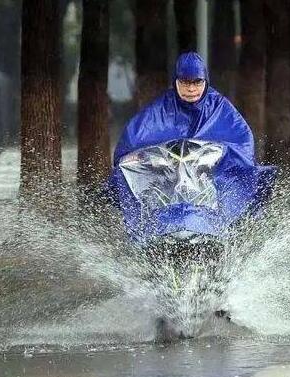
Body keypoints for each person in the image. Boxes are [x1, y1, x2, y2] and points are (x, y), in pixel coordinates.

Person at [109, 52, 273, 242]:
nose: (191, 89)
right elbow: (132, 142)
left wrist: (220, 154)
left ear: (205, 81)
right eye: (185, 82)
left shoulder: (219, 107)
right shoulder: (160, 109)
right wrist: (136, 159)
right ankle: (151, 240)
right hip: (166, 186)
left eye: (197, 82)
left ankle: (222, 237)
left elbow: (241, 143)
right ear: (176, 81)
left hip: (208, 183)